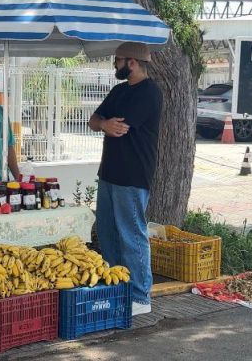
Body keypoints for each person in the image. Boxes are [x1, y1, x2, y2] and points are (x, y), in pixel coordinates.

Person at [88, 42, 162, 317]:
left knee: (132, 234)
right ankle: (117, 287)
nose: (114, 65)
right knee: (107, 232)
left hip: (132, 175)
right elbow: (95, 120)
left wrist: (106, 124)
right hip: (108, 173)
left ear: (131, 62)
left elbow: (120, 127)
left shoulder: (149, 92)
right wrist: (103, 124)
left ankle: (140, 296)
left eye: (117, 61)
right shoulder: (119, 90)